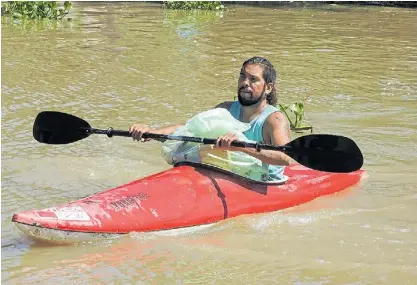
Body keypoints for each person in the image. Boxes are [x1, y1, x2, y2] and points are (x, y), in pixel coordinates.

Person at [129, 56, 293, 181]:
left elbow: (286, 157)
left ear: (268, 88)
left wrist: (241, 147)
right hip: (226, 174)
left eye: (253, 79)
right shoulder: (225, 109)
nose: (245, 83)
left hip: (264, 182)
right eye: (242, 76)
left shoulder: (274, 119)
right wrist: (151, 132)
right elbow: (189, 129)